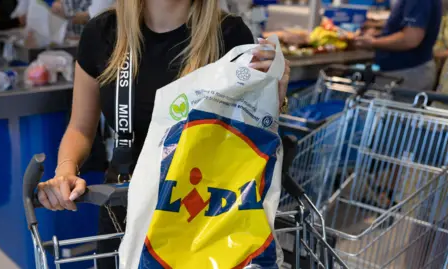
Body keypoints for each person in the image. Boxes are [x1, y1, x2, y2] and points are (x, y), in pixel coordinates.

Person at [35, 0, 290, 268]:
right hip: (122, 205)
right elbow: (80, 128)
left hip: (201, 215)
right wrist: (65, 171)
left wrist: (275, 97)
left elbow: (245, 136)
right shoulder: (102, 33)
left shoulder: (228, 35)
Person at [355, 0, 442, 93]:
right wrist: (378, 34)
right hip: (403, 71)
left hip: (408, 73)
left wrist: (373, 42)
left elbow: (411, 39)